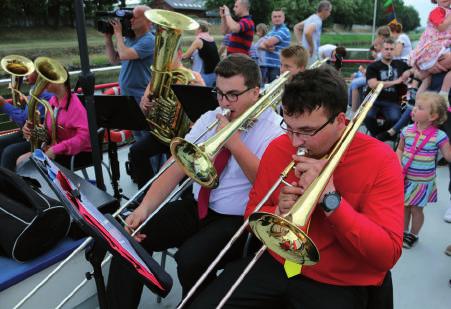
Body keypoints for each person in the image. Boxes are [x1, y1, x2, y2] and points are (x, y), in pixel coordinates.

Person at [190, 66, 404, 309]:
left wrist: (331, 201)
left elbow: (387, 254)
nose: (294, 141)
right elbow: (252, 215)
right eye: (289, 127)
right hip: (280, 263)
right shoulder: (279, 147)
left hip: (340, 280)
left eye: (307, 131)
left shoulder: (381, 160)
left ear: (340, 121)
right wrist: (278, 213)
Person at [106, 54, 283, 308]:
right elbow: (177, 165)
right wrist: (144, 208)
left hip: (236, 219)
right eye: (219, 93)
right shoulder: (212, 117)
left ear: (255, 92)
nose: (224, 102)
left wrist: (232, 142)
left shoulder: (274, 130)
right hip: (198, 205)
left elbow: (266, 184)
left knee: (190, 259)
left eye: (232, 94)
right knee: (129, 239)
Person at [128, 48, 205, 189]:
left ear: (180, 54)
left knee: (183, 169)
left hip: (184, 136)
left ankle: (186, 197)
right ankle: (145, 194)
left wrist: (195, 87)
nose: (163, 60)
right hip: (162, 134)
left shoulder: (193, 76)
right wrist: (145, 105)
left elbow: (202, 111)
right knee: (136, 151)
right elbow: (143, 113)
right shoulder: (156, 79)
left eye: (169, 55)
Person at [396, 92, 451, 249]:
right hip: (405, 178)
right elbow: (399, 149)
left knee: (416, 209)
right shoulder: (406, 131)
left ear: (432, 116)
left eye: (419, 107)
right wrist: (398, 162)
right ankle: (403, 232)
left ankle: (413, 234)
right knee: (404, 207)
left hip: (422, 182)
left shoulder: (440, 136)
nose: (413, 109)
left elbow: (448, 155)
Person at [13, 69, 92, 170]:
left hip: (78, 154)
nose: (44, 81)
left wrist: (56, 149)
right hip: (57, 149)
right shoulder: (52, 101)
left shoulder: (75, 106)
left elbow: (84, 137)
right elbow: (48, 134)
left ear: (60, 81)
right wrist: (32, 131)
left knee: (24, 163)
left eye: (48, 79)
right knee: (21, 160)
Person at [104, 4, 154, 141]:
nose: (131, 20)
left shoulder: (149, 40)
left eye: (135, 18)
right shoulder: (130, 39)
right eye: (131, 17)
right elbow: (114, 59)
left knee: (147, 139)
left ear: (148, 21)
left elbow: (125, 54)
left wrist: (118, 33)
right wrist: (108, 38)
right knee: (138, 138)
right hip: (129, 96)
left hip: (141, 97)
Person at [0, 70, 52, 169]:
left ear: (39, 75)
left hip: (40, 137)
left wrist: (3, 104)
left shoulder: (43, 94)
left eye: (30, 73)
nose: (25, 76)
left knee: (9, 152)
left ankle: (8, 182)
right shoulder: (35, 90)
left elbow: (24, 120)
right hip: (31, 132)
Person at [364, 37, 412, 137]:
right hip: (373, 100)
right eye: (386, 49)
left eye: (391, 49)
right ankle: (377, 136)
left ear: (394, 50)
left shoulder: (401, 64)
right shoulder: (373, 66)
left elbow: (415, 69)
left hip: (392, 101)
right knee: (366, 116)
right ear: (381, 50)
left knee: (395, 118)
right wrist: (396, 81)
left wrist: (409, 71)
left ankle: (383, 135)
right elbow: (373, 84)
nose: (389, 52)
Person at [409, 0, 451, 96]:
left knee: (426, 81)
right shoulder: (437, 11)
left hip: (441, 48)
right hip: (435, 48)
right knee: (427, 80)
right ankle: (442, 93)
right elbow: (441, 27)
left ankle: (416, 89)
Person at [182, 20, 220, 87]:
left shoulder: (199, 41)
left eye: (195, 28)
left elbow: (185, 56)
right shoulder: (211, 39)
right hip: (214, 73)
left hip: (204, 75)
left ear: (199, 29)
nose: (194, 30)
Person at [257, 9, 291, 84]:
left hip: (277, 66)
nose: (277, 18)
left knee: (274, 89)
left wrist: (265, 45)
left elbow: (268, 42)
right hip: (266, 65)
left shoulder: (284, 30)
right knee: (265, 90)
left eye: (279, 16)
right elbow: (259, 45)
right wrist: (267, 48)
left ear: (283, 18)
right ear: (272, 18)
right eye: (275, 17)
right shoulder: (271, 32)